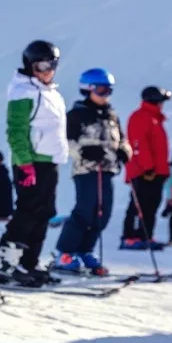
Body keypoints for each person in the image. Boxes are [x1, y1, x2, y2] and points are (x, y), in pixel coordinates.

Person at [0, 40, 67, 287]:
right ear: (29, 65)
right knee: (27, 211)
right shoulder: (23, 91)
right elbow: (16, 131)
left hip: (48, 161)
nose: (47, 71)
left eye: (51, 65)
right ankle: (6, 264)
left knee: (44, 213)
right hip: (31, 162)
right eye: (41, 66)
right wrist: (24, 163)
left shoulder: (50, 92)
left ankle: (29, 262)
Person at [53, 69, 131, 275]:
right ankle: (65, 252)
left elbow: (122, 139)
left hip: (107, 170)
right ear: (88, 89)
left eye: (109, 90)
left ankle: (85, 250)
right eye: (102, 90)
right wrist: (84, 151)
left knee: (103, 214)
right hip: (86, 170)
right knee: (85, 211)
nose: (106, 94)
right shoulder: (77, 115)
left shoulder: (111, 115)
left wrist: (124, 151)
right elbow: (65, 142)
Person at [121, 86, 171, 250]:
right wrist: (147, 167)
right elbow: (139, 144)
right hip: (144, 172)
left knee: (151, 205)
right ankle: (130, 237)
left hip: (157, 172)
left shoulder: (154, 118)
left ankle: (145, 236)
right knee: (138, 204)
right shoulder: (141, 117)